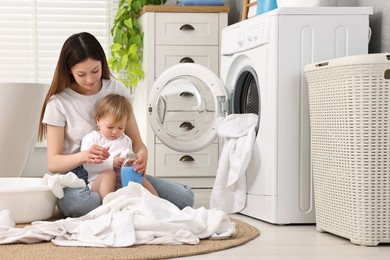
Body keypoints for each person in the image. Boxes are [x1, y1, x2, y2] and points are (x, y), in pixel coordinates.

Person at [38, 32, 194, 217]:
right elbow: (53, 163)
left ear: (102, 64)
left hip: (120, 168)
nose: (90, 79)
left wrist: (141, 157)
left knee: (184, 198)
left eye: (95, 71)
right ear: (69, 70)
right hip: (79, 175)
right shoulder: (59, 103)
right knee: (78, 206)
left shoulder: (115, 89)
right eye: (81, 74)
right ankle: (121, 200)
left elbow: (137, 143)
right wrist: (85, 156)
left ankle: (119, 197)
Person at [81, 94, 158, 199]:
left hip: (123, 181)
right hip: (99, 182)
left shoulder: (125, 140)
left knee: (140, 178)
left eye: (120, 128)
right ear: (98, 120)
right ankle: (109, 203)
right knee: (109, 174)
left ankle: (157, 201)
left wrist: (133, 163)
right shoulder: (92, 139)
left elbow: (129, 157)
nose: (115, 132)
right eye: (110, 127)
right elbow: (88, 164)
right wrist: (111, 163)